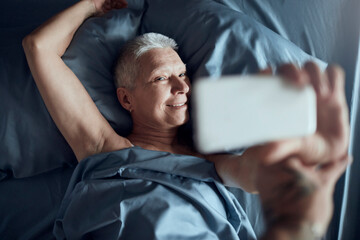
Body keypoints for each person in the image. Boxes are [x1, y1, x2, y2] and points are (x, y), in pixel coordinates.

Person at [22, 0, 351, 239]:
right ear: (126, 98)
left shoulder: (211, 163)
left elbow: (252, 171)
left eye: (182, 74)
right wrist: (91, 5)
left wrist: (293, 153)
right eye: (161, 79)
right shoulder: (103, 147)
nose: (182, 87)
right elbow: (38, 47)